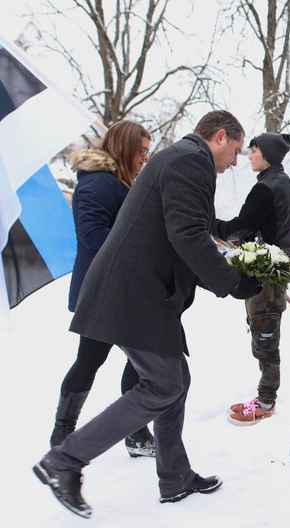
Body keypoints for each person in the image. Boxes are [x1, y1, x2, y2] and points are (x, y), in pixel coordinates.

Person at [32, 110, 263, 519]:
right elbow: (187, 235)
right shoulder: (190, 161)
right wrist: (232, 284)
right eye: (236, 151)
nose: (234, 162)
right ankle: (64, 461)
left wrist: (234, 265)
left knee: (176, 378)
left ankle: (174, 478)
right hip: (132, 291)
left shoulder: (180, 159)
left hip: (144, 290)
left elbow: (191, 231)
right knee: (161, 384)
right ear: (220, 136)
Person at [48, 120, 156, 459]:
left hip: (118, 288)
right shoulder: (99, 183)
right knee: (97, 359)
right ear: (125, 148)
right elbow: (92, 235)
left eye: (148, 151)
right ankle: (64, 432)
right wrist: (142, 243)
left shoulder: (118, 183)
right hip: (102, 289)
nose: (145, 157)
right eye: (141, 150)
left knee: (138, 362)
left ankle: (134, 432)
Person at [211, 132, 290, 425]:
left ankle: (265, 402)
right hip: (273, 269)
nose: (249, 156)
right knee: (263, 329)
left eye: (254, 151)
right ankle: (265, 396)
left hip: (266, 273)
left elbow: (241, 227)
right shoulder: (281, 182)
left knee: (264, 334)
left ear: (268, 155)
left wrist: (212, 226)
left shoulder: (268, 187)